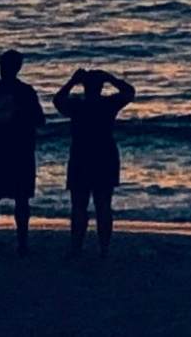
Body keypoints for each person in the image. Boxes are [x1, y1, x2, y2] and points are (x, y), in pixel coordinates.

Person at [54, 66, 136, 255]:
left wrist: (71, 82)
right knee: (103, 204)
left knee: (79, 205)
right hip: (104, 155)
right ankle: (104, 247)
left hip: (81, 155)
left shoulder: (77, 105)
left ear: (84, 87)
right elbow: (129, 92)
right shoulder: (108, 104)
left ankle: (77, 247)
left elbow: (58, 101)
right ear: (101, 87)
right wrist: (112, 79)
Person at [0, 51, 43, 254]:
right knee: (20, 199)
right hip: (18, 150)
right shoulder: (26, 91)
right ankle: (21, 243)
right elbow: (39, 119)